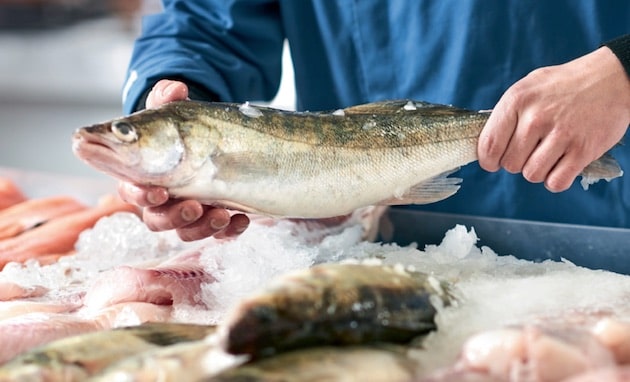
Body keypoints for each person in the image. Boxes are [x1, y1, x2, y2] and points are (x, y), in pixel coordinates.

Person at [118, 1, 630, 241]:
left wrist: (623, 69)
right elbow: (206, 22)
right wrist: (176, 105)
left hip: (610, 231)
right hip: (374, 239)